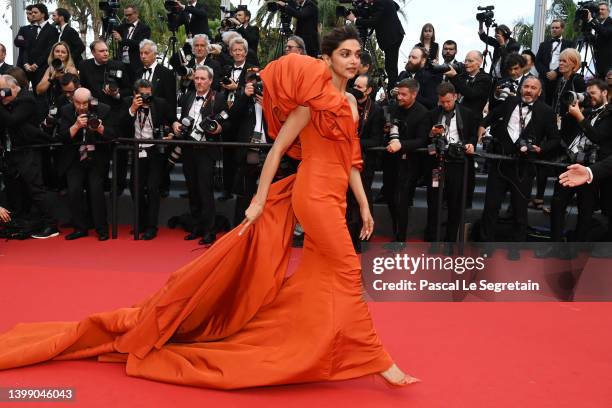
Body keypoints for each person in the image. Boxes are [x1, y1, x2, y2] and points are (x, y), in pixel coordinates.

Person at [0, 26, 418, 389]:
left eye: (356, 54)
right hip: (310, 195)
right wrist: (256, 201)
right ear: (325, 59)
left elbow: (352, 162)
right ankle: (379, 361)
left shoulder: (349, 105)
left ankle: (306, 343)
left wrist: (364, 206)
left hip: (335, 194)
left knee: (324, 276)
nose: (352, 60)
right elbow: (276, 154)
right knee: (347, 269)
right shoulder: (312, 103)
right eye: (343, 53)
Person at [478, 77, 559, 258]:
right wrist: (482, 126)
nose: (528, 90)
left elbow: (555, 140)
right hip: (500, 163)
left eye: (533, 88)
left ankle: (515, 249)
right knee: (491, 206)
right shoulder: (510, 102)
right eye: (526, 86)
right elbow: (492, 115)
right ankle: (486, 246)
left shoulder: (547, 112)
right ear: (521, 88)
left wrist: (540, 148)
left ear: (539, 92)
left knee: (519, 210)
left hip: (524, 168)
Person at [537, 79, 611, 257]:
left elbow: (598, 137)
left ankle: (577, 250)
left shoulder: (610, 113)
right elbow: (567, 134)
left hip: (591, 170)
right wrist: (574, 111)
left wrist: (580, 117)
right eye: (587, 93)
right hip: (571, 164)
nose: (588, 97)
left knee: (585, 211)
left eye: (592, 93)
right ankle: (555, 245)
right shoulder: (587, 111)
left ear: (605, 93)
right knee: (557, 204)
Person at [0, 74, 59, 238]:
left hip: (28, 151)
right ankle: (20, 223)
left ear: (13, 87)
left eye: (2, 92)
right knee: (15, 189)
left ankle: (51, 224)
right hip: (11, 152)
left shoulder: (26, 99)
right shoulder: (9, 101)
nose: (1, 96)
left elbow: (11, 121)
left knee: (35, 188)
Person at [174, 66, 227, 245]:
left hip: (206, 149)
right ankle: (196, 227)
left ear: (210, 80)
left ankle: (210, 230)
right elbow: (180, 116)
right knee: (193, 190)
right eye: (196, 78)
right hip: (188, 148)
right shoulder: (187, 96)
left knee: (205, 191)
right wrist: (177, 125)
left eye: (203, 78)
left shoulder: (218, 98)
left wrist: (219, 128)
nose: (199, 81)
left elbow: (226, 120)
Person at [57, 88, 115, 241]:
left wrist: (100, 128)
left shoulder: (104, 109)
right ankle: (79, 228)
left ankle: (101, 229)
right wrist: (76, 126)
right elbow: (62, 137)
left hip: (96, 157)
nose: (81, 107)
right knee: (74, 192)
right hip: (74, 158)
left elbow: (113, 135)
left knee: (96, 193)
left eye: (84, 103)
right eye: (78, 103)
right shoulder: (66, 110)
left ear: (90, 101)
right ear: (72, 101)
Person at [120, 79, 176, 240]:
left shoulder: (160, 103)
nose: (145, 97)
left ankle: (152, 227)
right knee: (135, 188)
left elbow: (172, 120)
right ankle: (141, 222)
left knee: (152, 188)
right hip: (137, 150)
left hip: (155, 151)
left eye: (148, 94)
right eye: (141, 95)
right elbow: (120, 125)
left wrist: (171, 132)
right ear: (134, 94)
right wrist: (133, 108)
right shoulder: (127, 104)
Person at [424, 82, 478, 243]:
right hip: (437, 163)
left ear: (455, 96)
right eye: (443, 102)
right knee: (434, 199)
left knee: (455, 202)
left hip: (459, 163)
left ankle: (450, 239)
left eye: (448, 101)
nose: (446, 105)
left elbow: (473, 136)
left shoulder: (467, 114)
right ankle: (432, 238)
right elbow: (426, 140)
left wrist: (470, 144)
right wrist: (431, 133)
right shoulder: (432, 114)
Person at [385, 78, 429, 242]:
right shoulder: (394, 108)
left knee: (401, 200)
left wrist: (401, 144)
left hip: (410, 164)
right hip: (391, 161)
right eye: (399, 94)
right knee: (390, 197)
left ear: (414, 94)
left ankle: (400, 239)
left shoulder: (423, 113)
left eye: (404, 95)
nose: (400, 98)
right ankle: (396, 231)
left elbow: (422, 140)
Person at [347, 0, 404, 92]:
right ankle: (391, 90)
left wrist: (354, 20)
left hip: (392, 37)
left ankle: (392, 92)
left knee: (391, 67)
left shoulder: (381, 2)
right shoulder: (381, 3)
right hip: (394, 36)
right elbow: (395, 6)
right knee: (390, 66)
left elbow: (373, 22)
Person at [535, 19, 574, 104]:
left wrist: (556, 72)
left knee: (558, 102)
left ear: (562, 29)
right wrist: (547, 73)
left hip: (561, 77)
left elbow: (570, 61)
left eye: (557, 27)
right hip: (544, 79)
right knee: (542, 102)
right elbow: (537, 62)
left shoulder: (569, 44)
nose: (554, 29)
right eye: (552, 28)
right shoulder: (543, 45)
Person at [23, 3, 59, 86]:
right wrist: (25, 63)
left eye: (35, 12)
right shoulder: (31, 30)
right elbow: (26, 48)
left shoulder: (52, 30)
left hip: (43, 70)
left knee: (42, 97)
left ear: (43, 14)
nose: (32, 14)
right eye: (31, 13)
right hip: (28, 70)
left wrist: (36, 64)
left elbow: (49, 50)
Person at [112, 4, 151, 77]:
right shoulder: (123, 26)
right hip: (121, 63)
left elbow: (141, 44)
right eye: (125, 15)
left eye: (129, 15)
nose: (127, 17)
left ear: (136, 14)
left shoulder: (144, 28)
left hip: (136, 64)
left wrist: (122, 40)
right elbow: (110, 28)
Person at [586, 2, 612, 79]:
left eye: (602, 9)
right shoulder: (599, 25)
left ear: (608, 11)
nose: (600, 11)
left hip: (609, 66)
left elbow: (605, 32)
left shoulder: (610, 22)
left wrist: (591, 20)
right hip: (599, 66)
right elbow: (597, 43)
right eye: (598, 9)